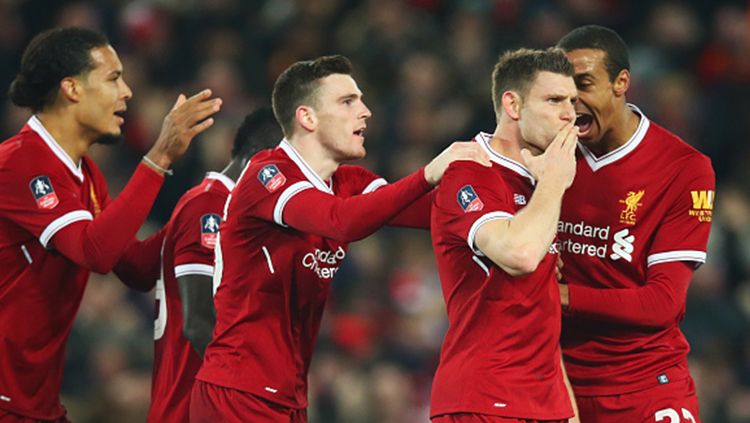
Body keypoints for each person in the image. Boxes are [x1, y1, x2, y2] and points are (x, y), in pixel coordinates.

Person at [189, 54, 490, 423]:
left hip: (289, 397)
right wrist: (428, 173)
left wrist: (515, 189)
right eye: (348, 102)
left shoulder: (351, 183)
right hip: (235, 393)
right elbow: (340, 222)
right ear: (307, 117)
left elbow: (435, 213)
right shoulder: (266, 175)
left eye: (361, 100)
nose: (365, 112)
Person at [0, 27, 221, 422]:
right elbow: (93, 253)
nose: (127, 92)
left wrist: (203, 209)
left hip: (35, 404)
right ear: (72, 89)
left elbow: (134, 266)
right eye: (114, 78)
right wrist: (159, 157)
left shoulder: (85, 176)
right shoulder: (20, 163)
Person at [555, 25, 715, 423]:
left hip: (645, 386)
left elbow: (662, 303)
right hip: (556, 388)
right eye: (560, 90)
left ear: (621, 82)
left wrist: (557, 296)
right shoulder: (542, 154)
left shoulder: (684, 169)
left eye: (584, 84)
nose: (571, 102)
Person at [429, 47, 579, 423]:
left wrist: (570, 413)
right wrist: (555, 182)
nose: (570, 114)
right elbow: (520, 254)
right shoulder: (470, 171)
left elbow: (539, 310)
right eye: (554, 100)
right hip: (484, 398)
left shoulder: (540, 187)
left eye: (573, 101)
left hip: (545, 403)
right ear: (512, 104)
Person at [146, 107, 283, 423]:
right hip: (190, 409)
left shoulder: (241, 215)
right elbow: (199, 323)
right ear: (263, 162)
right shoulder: (211, 205)